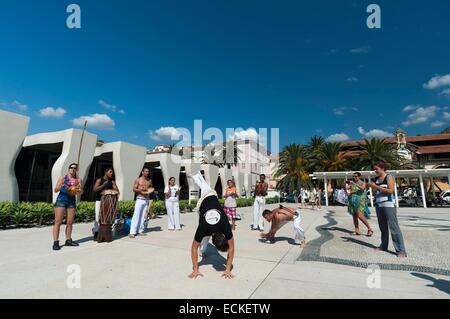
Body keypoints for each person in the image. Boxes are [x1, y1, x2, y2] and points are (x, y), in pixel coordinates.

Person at [188, 172, 235, 279]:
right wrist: (195, 269)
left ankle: (197, 175)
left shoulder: (224, 225)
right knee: (204, 186)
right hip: (207, 196)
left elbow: (231, 248)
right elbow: (193, 248)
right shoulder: (205, 227)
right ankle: (197, 175)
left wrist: (227, 269)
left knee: (204, 184)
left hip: (209, 205)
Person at [368, 162, 407, 258]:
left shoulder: (389, 177)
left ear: (382, 168)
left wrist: (376, 186)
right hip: (379, 204)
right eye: (374, 169)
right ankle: (383, 245)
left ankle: (401, 250)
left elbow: (390, 191)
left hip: (388, 204)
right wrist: (373, 188)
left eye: (376, 169)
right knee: (383, 227)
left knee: (394, 227)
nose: (375, 171)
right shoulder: (375, 179)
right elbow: (375, 193)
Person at [52, 163, 83, 250]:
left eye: (75, 168)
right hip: (61, 200)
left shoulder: (78, 180)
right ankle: (55, 242)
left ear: (76, 170)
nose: (73, 169)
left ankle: (68, 240)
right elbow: (55, 190)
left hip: (71, 202)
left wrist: (78, 189)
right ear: (68, 169)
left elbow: (81, 190)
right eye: (71, 167)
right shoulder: (63, 178)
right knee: (58, 222)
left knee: (70, 222)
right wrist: (61, 186)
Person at [92, 167, 119, 240]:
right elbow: (94, 189)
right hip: (99, 200)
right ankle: (96, 232)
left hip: (108, 202)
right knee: (97, 217)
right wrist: (103, 185)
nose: (111, 173)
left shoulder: (112, 181)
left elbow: (117, 191)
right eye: (110, 172)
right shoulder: (99, 180)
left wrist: (111, 190)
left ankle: (104, 233)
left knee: (105, 218)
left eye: (112, 172)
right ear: (106, 172)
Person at [347, 172, 374, 236]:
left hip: (360, 201)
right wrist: (348, 188)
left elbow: (362, 188)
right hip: (352, 201)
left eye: (356, 176)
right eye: (353, 176)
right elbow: (349, 190)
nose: (354, 177)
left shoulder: (362, 183)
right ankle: (357, 230)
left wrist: (354, 184)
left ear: (359, 177)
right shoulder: (352, 184)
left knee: (360, 216)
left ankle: (370, 229)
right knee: (354, 216)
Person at [129, 168, 152, 238]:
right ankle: (132, 232)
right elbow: (134, 189)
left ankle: (140, 231)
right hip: (139, 199)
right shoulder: (138, 180)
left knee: (143, 216)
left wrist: (149, 192)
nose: (147, 173)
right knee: (136, 215)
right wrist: (140, 190)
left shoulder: (149, 181)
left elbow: (150, 189)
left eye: (148, 171)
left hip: (146, 199)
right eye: (145, 171)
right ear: (142, 172)